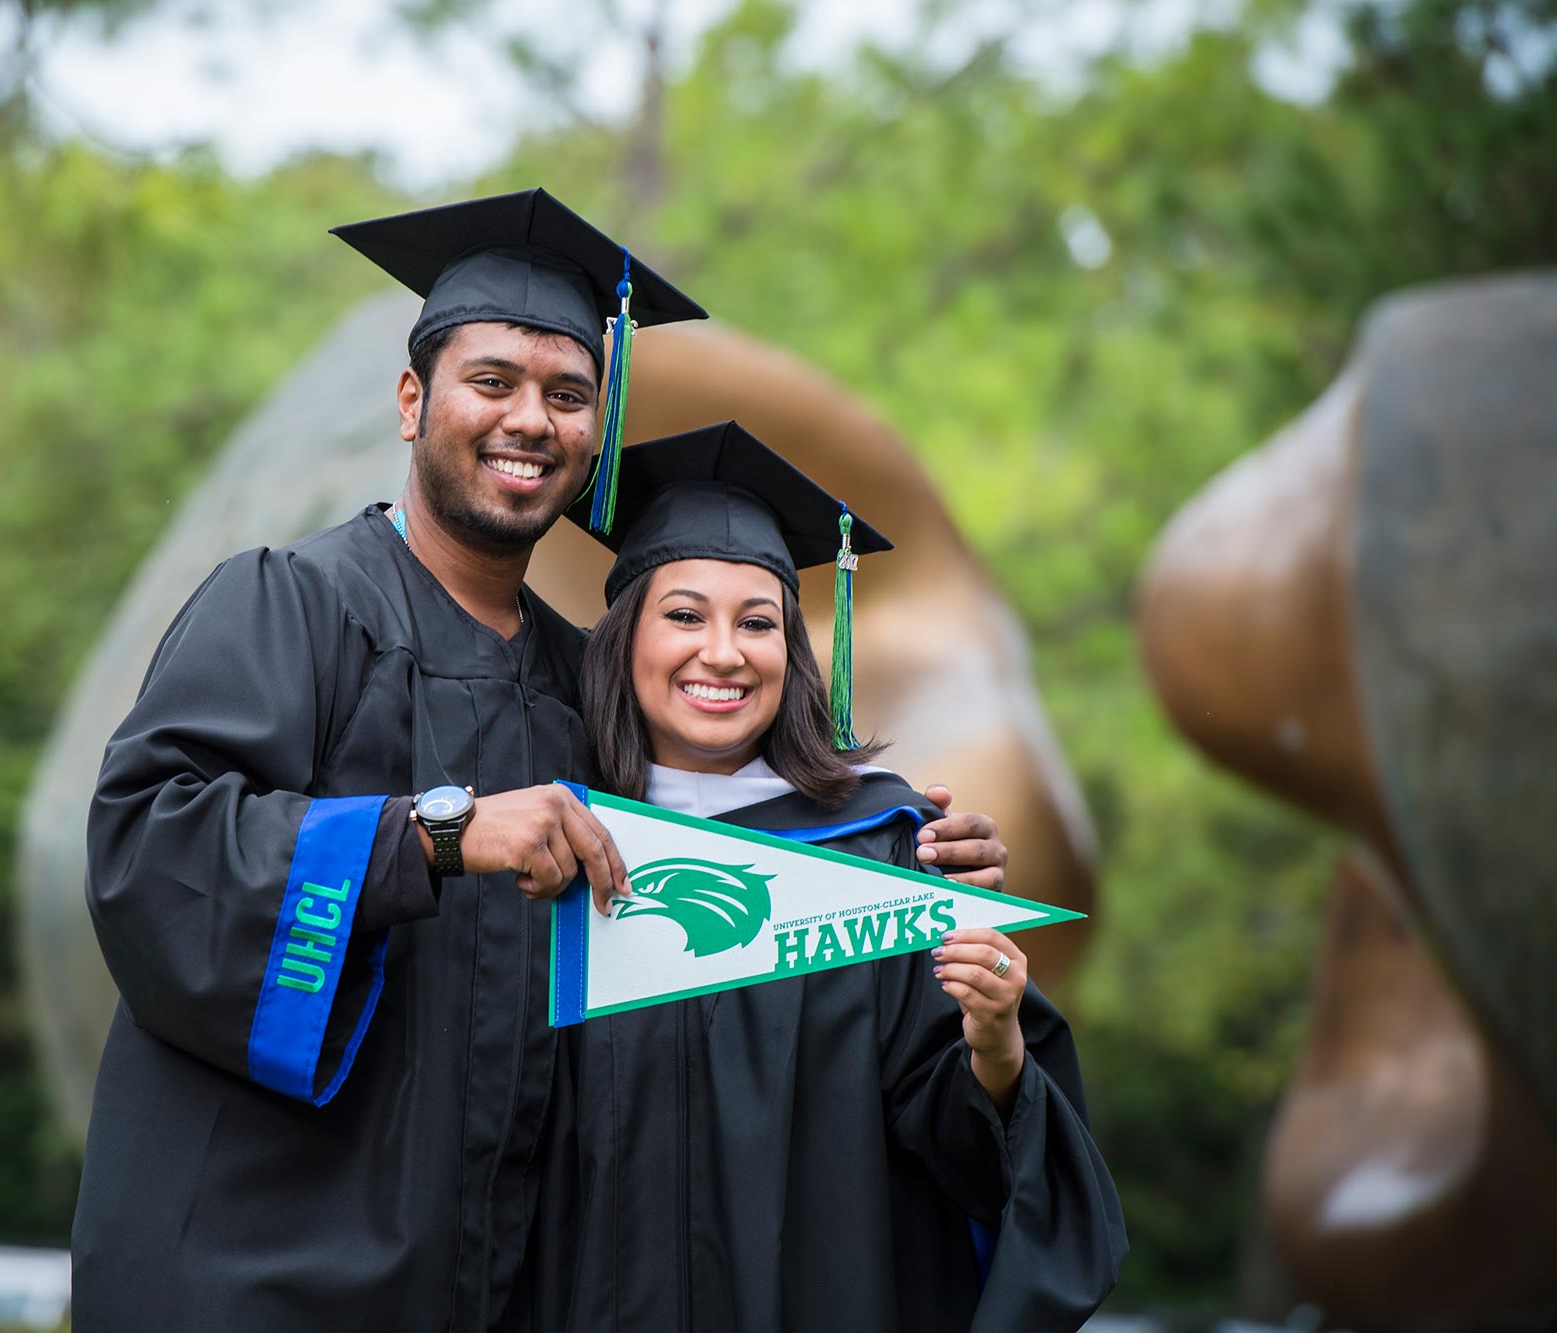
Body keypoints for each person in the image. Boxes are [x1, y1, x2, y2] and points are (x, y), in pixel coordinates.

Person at [69, 191, 1013, 1331]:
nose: (530, 419)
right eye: (493, 382)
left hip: (493, 1277)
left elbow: (717, 884)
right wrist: (433, 833)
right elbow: (147, 848)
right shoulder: (291, 604)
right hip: (256, 1261)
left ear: (594, 434)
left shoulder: (590, 691)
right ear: (413, 401)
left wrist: (896, 858)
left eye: (567, 396)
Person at [543, 421, 1126, 1331]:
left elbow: (963, 1158)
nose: (725, 652)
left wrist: (999, 1047)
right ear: (623, 639)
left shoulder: (877, 850)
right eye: (685, 615)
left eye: (760, 622)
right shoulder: (553, 845)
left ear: (796, 653)